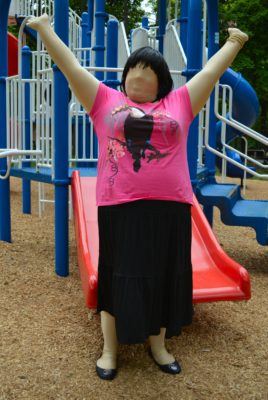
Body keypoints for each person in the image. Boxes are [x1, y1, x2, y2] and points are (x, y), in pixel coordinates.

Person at [27, 14, 248, 380]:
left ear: (161, 80)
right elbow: (70, 66)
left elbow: (208, 75)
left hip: (171, 207)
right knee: (117, 276)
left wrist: (233, 43)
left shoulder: (179, 103)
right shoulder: (103, 100)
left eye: (146, 70)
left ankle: (158, 345)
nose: (137, 75)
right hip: (121, 207)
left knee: (164, 275)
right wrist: (47, 30)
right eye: (133, 68)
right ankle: (110, 349)